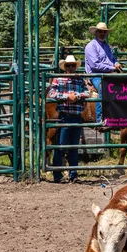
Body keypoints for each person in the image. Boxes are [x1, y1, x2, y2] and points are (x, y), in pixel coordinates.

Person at [48, 55, 90, 183]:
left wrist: (76, 96)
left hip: (76, 116)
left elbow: (87, 93)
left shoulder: (79, 80)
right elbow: (52, 93)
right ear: (65, 67)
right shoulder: (58, 79)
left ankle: (73, 174)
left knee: (74, 146)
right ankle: (58, 175)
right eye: (68, 65)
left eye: (73, 65)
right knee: (60, 146)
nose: (71, 68)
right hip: (64, 116)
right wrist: (67, 97)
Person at [84, 22, 122, 126]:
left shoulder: (106, 46)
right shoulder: (91, 46)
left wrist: (116, 63)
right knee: (103, 88)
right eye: (100, 32)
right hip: (95, 75)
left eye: (104, 32)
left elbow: (112, 59)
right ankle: (100, 119)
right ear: (96, 33)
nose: (102, 34)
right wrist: (112, 67)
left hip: (110, 73)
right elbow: (95, 65)